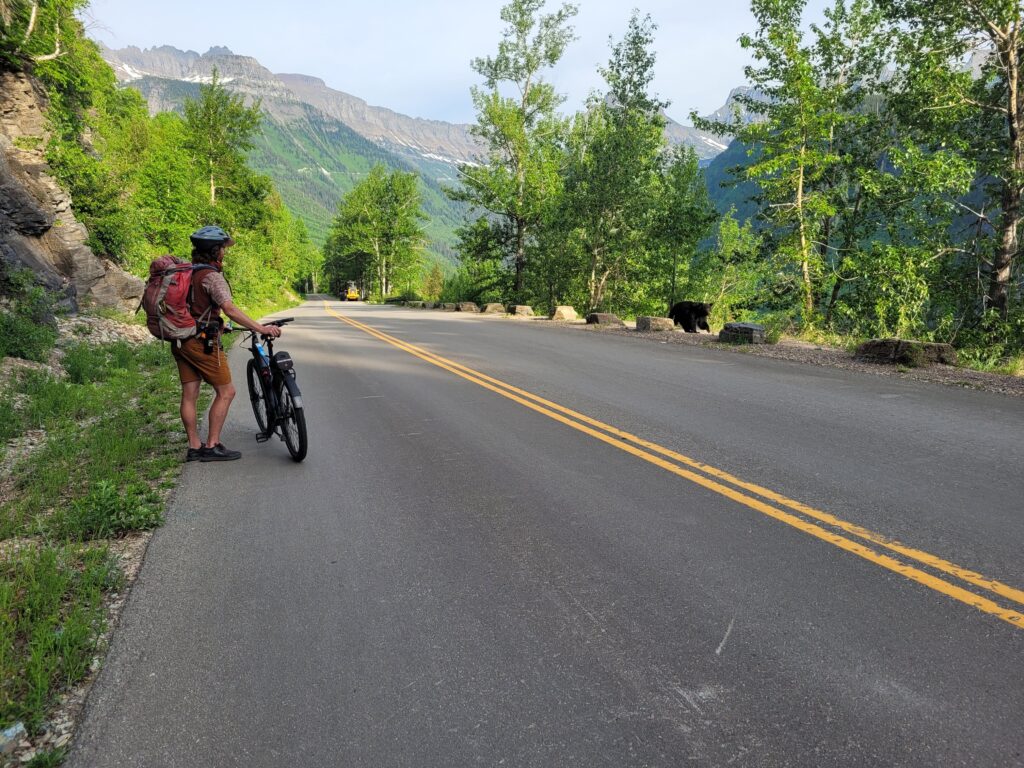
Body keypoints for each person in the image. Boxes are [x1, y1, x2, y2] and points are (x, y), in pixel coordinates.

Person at [173, 226, 281, 462]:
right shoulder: (212, 276)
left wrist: (216, 323)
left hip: (181, 339)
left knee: (189, 394)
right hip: (202, 343)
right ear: (215, 251)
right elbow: (229, 308)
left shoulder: (187, 273)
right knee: (227, 391)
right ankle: (212, 445)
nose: (224, 252)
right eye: (222, 248)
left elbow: (196, 308)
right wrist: (260, 328)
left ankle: (194, 446)